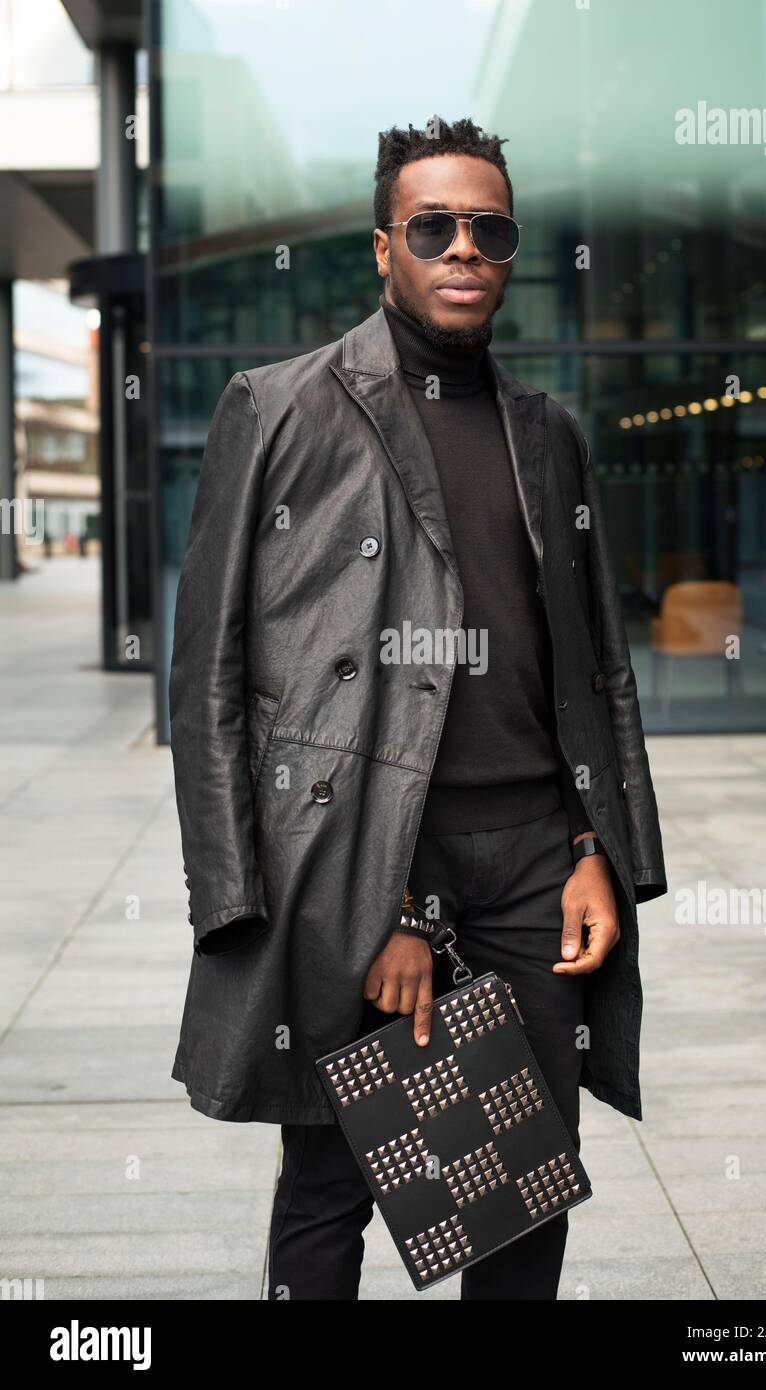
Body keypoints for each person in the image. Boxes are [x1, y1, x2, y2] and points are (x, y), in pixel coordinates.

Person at [168, 116, 666, 1301]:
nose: (461, 248)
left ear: (509, 251)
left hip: (535, 865)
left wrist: (599, 852)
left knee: (525, 1187)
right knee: (332, 1179)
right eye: (433, 225)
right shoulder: (280, 408)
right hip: (357, 860)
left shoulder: (548, 436)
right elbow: (210, 677)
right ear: (383, 244)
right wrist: (312, 899)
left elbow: (594, 666)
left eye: (487, 229)